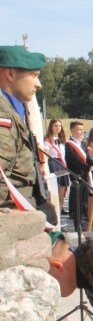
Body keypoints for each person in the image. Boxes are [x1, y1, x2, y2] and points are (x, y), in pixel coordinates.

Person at [0, 46, 49, 216]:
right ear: (10, 74)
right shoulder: (2, 115)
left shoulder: (11, 111)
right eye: (34, 75)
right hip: (13, 219)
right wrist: (30, 217)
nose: (39, 84)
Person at [65, 121, 92, 230]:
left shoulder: (83, 144)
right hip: (76, 176)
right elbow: (75, 161)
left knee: (85, 203)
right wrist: (89, 167)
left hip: (85, 176)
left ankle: (85, 224)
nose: (82, 132)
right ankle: (79, 225)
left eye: (82, 129)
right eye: (79, 129)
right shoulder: (69, 145)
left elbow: (88, 158)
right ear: (72, 130)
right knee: (78, 203)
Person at [45, 119, 70, 214]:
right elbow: (46, 156)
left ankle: (59, 213)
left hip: (62, 165)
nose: (58, 128)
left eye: (59, 126)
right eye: (55, 126)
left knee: (62, 193)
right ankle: (53, 215)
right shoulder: (47, 140)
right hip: (53, 164)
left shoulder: (62, 141)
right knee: (53, 192)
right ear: (51, 127)